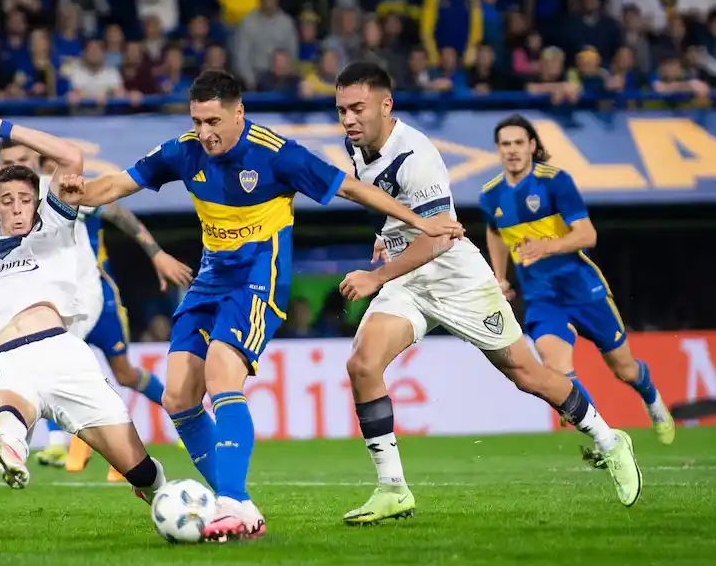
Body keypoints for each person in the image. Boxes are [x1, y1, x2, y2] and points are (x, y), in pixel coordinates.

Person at [76, 70, 465, 542]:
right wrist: (71, 196)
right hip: (211, 279)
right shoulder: (184, 150)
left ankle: (232, 502)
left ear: (239, 113)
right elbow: (118, 184)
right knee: (178, 395)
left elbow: (351, 188)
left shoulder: (276, 153)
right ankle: (239, 508)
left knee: (221, 374)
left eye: (214, 120)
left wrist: (422, 222)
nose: (205, 132)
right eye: (197, 120)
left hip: (259, 279)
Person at [332, 62, 643, 526]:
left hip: (456, 277)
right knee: (362, 364)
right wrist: (387, 235)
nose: (349, 120)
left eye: (357, 108)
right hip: (410, 279)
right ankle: (393, 489)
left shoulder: (416, 153)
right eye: (341, 111)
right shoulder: (357, 146)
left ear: (385, 104)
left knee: (527, 374)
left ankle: (608, 439)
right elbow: (398, 209)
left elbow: (439, 237)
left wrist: (377, 276)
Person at [0, 133, 166, 500]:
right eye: (6, 202)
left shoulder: (53, 232)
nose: (15, 208)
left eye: (25, 200)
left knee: (140, 469)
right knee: (5, 406)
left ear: (37, 204)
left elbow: (72, 155)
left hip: (61, 356)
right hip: (2, 360)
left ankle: (161, 493)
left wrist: (3, 126)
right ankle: (10, 449)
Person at [0, 119, 194, 479]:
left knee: (120, 373)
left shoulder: (56, 190)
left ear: (37, 160)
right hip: (44, 310)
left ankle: (178, 418)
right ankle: (73, 448)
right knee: (52, 371)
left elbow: (116, 209)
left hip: (91, 298)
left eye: (26, 158)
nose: (19, 166)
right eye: (9, 161)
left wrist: (155, 254)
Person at [480, 113, 674, 444]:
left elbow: (587, 235)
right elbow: (495, 232)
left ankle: (653, 400)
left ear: (532, 146)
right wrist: (500, 276)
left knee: (624, 369)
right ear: (497, 149)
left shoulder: (555, 181)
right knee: (556, 373)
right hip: (542, 298)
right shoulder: (490, 194)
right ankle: (608, 440)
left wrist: (547, 246)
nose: (512, 150)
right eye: (505, 144)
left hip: (583, 289)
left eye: (518, 143)